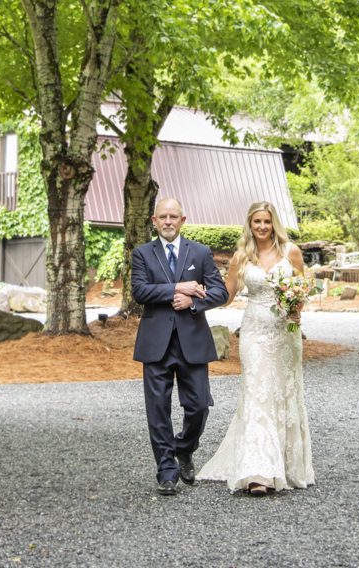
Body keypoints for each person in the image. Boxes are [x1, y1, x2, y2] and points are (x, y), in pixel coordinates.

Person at [198, 201, 314, 495]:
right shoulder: (242, 256)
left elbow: (302, 290)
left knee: (283, 393)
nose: (261, 227)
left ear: (274, 223)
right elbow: (226, 295)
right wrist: (196, 294)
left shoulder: (292, 252)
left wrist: (298, 309)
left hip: (285, 333)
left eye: (266, 221)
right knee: (257, 392)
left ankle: (285, 466)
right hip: (254, 332)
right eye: (256, 222)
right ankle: (258, 472)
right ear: (249, 225)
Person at [130, 197, 229, 496]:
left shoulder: (199, 252)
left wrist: (193, 300)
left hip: (193, 341)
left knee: (199, 405)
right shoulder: (142, 254)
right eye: (163, 217)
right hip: (156, 342)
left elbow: (220, 292)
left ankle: (184, 449)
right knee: (157, 410)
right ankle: (166, 470)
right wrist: (178, 287)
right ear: (154, 220)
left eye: (174, 216)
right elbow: (139, 290)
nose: (168, 221)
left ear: (183, 220)